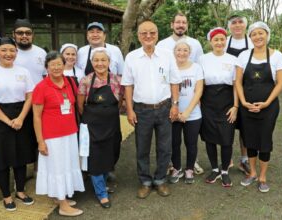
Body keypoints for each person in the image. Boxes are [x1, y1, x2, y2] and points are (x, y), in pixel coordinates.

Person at [121, 20, 181, 199]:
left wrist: (175, 105)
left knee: (165, 147)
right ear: (138, 36)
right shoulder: (131, 57)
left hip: (164, 108)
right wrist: (130, 110)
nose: (148, 36)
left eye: (152, 33)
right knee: (142, 148)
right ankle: (145, 181)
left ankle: (160, 179)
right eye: (144, 33)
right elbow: (128, 85)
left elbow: (174, 81)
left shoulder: (167, 55)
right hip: (142, 110)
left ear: (157, 34)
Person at [0, 37, 36, 211]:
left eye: (12, 50)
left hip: (21, 118)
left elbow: (30, 96)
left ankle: (20, 191)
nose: (8, 54)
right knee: (2, 160)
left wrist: (20, 119)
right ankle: (6, 196)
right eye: (4, 50)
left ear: (16, 52)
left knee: (21, 157)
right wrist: (8, 121)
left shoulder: (23, 71)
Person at [235, 21, 282, 193]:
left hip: (268, 108)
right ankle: (252, 173)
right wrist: (243, 102)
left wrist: (266, 102)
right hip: (247, 107)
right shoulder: (243, 56)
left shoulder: (277, 56)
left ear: (267, 35)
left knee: (264, 140)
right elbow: (238, 82)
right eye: (254, 34)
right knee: (249, 139)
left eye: (261, 33)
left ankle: (263, 177)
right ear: (250, 37)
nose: (257, 36)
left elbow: (280, 84)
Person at [33, 51, 84, 217]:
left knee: (67, 165)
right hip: (52, 136)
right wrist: (40, 141)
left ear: (64, 65)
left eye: (59, 64)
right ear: (46, 67)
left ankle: (59, 196)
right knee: (57, 168)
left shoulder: (69, 82)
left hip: (69, 132)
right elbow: (36, 117)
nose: (56, 67)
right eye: (52, 64)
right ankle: (63, 205)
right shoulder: (41, 87)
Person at [77, 47, 124, 208]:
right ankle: (101, 193)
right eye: (96, 60)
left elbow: (121, 102)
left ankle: (101, 184)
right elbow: (80, 105)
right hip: (92, 127)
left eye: (103, 60)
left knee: (110, 155)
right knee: (96, 158)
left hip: (112, 125)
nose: (100, 63)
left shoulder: (117, 80)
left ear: (109, 62)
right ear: (91, 62)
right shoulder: (86, 81)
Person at [199, 27, 239, 187]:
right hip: (208, 101)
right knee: (209, 138)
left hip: (227, 102)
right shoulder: (203, 59)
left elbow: (236, 85)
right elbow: (200, 82)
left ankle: (224, 171)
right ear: (211, 42)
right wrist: (199, 102)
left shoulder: (233, 59)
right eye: (216, 39)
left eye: (222, 39)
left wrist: (236, 106)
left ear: (226, 41)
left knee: (226, 138)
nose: (219, 42)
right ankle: (214, 169)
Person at [168, 40, 203, 184]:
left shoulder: (196, 68)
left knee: (191, 143)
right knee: (174, 143)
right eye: (179, 50)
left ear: (190, 53)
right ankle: (176, 168)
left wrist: (187, 112)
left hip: (192, 114)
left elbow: (199, 90)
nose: (181, 53)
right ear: (174, 52)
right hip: (173, 113)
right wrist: (174, 111)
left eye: (185, 50)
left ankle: (189, 169)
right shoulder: (169, 67)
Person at [226, 12, 254, 175]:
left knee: (245, 127)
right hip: (227, 90)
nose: (237, 25)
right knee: (227, 125)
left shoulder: (251, 43)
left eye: (240, 22)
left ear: (245, 25)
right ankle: (227, 159)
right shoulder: (225, 42)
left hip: (247, 89)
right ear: (229, 26)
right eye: (233, 22)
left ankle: (244, 160)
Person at [11, 19, 47, 85]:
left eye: (28, 33)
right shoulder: (7, 54)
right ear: (13, 34)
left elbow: (46, 76)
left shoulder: (41, 53)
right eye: (20, 33)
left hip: (39, 94)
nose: (24, 36)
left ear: (32, 34)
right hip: (16, 95)